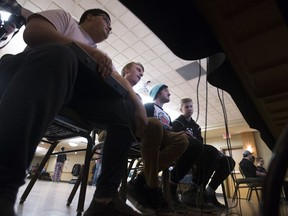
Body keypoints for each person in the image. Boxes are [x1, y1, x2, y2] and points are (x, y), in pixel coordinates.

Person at [0, 1, 148, 216]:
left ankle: (104, 200)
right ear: (89, 18)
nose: (110, 28)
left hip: (72, 96)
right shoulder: (65, 19)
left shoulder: (100, 55)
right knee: (61, 54)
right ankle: (3, 186)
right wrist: (85, 50)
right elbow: (34, 32)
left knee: (124, 112)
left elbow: (119, 81)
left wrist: (138, 106)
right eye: (106, 21)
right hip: (37, 72)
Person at [122, 64, 188, 215]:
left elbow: (169, 130)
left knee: (183, 140)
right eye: (138, 70)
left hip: (160, 136)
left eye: (142, 72)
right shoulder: (147, 104)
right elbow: (141, 120)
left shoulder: (167, 115)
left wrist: (176, 132)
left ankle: (139, 181)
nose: (141, 74)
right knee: (155, 124)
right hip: (141, 134)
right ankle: (152, 186)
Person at [171, 98, 236, 209]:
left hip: (198, 152)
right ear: (181, 109)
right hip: (185, 153)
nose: (189, 108)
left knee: (229, 161)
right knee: (211, 151)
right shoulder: (176, 123)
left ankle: (209, 192)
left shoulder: (196, 126)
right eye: (186, 107)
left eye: (191, 106)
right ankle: (193, 189)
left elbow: (200, 142)